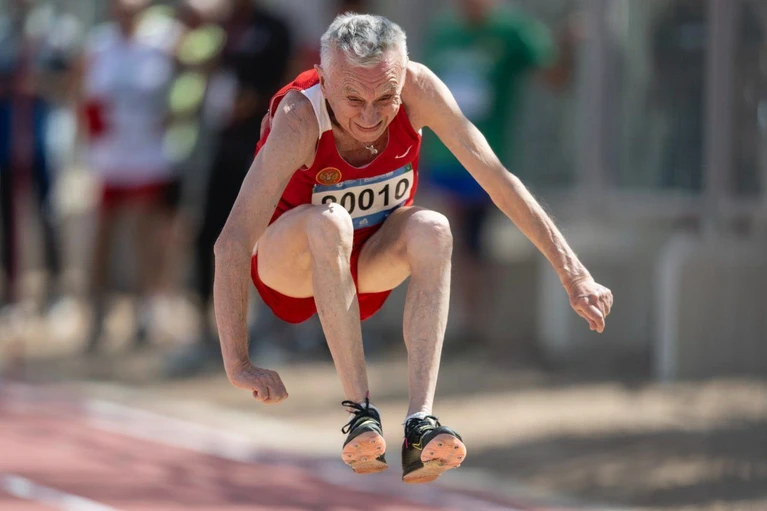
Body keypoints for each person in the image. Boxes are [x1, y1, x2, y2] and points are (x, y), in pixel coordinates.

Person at [214, 14, 613, 484]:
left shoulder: (420, 89)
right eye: (353, 99)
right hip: (290, 268)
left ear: (403, 77)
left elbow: (497, 180)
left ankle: (420, 424)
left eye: (385, 98)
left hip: (368, 261)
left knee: (433, 227)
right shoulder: (300, 117)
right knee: (330, 221)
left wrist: (574, 273)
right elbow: (233, 241)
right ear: (323, 80)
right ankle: (360, 414)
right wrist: (238, 363)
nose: (369, 118)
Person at [422, 0, 579, 350]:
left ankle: (475, 323)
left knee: (474, 240)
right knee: (445, 239)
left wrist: (568, 45)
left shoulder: (513, 31)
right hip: (442, 155)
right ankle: (457, 322)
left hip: (486, 155)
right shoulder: (444, 32)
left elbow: (554, 75)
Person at [79, 0, 176, 352]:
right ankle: (96, 317)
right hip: (110, 157)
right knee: (102, 238)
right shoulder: (99, 45)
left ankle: (145, 313)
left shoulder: (162, 42)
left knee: (145, 237)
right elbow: (83, 97)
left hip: (147, 155)